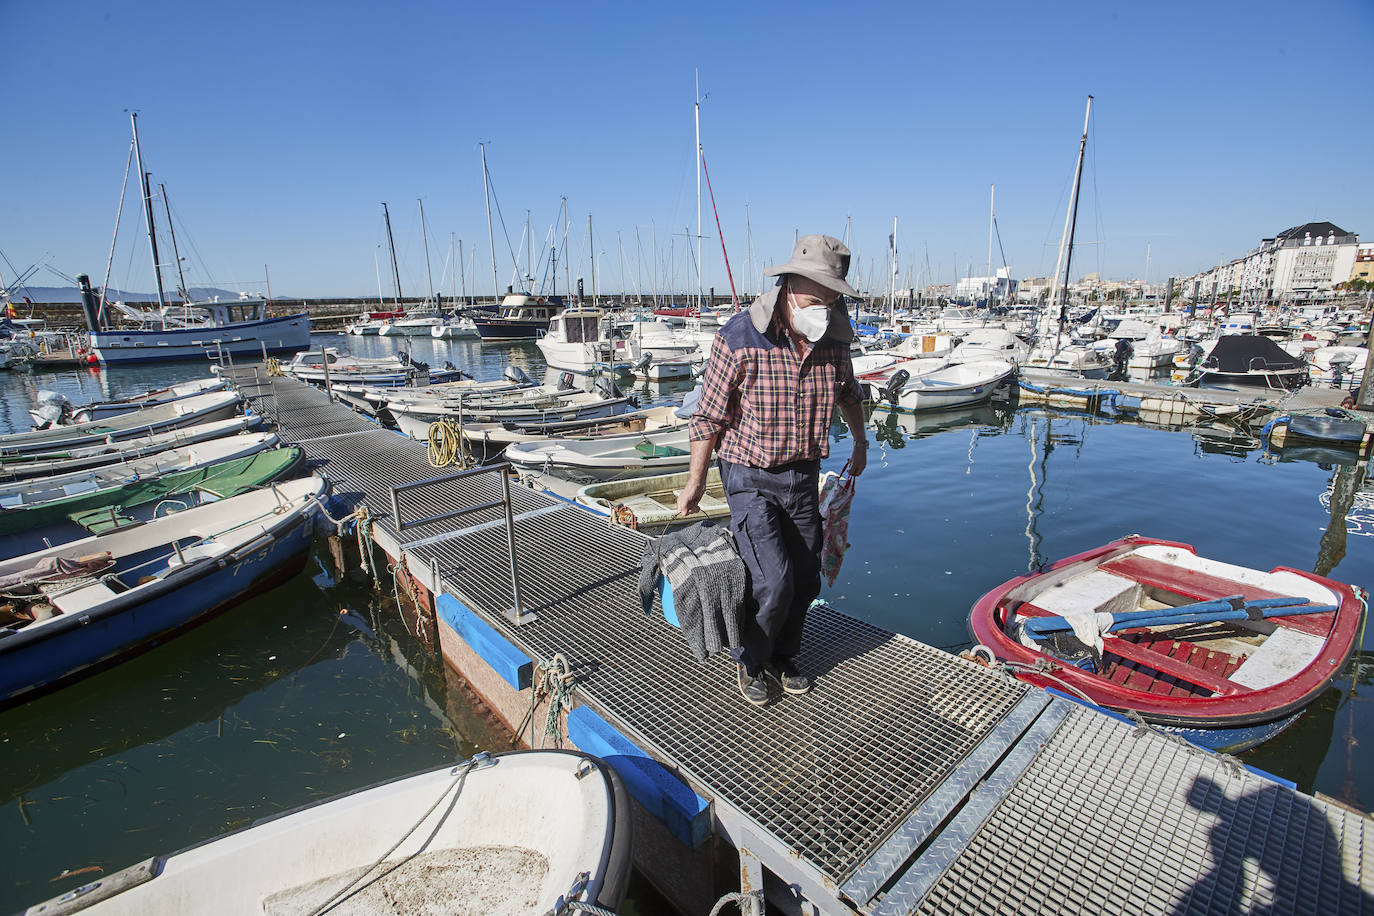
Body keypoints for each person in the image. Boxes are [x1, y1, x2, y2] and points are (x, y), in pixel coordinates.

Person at [676, 234, 867, 706]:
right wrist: (696, 481)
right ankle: (751, 660)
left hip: (803, 473)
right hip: (748, 473)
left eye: (831, 300)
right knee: (773, 577)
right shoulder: (738, 338)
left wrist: (860, 441)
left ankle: (783, 655)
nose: (822, 310)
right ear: (786, 287)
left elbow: (849, 394)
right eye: (813, 299)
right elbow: (709, 416)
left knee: (805, 577)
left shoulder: (835, 340)